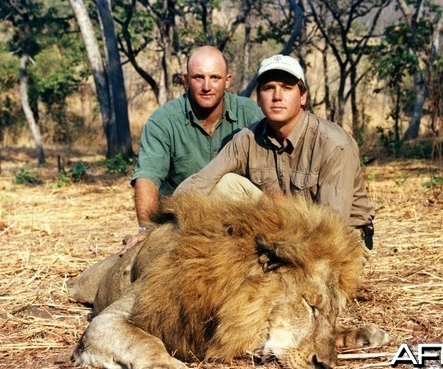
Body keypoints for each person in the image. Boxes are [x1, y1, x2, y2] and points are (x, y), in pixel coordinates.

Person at [69, 46, 263, 304]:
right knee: (143, 282)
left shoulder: (252, 114)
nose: (206, 86)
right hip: (184, 222)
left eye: (214, 78)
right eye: (198, 77)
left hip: (238, 219)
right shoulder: (163, 121)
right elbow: (147, 178)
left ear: (227, 81)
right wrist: (146, 229)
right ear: (185, 80)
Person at [173, 54, 375, 248]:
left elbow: (331, 228)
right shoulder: (247, 138)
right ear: (259, 99)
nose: (277, 96)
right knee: (225, 185)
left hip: (337, 243)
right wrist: (163, 223)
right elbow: (201, 181)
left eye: (287, 88)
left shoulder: (334, 143)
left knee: (312, 267)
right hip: (281, 231)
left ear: (302, 96)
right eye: (269, 88)